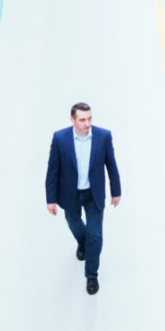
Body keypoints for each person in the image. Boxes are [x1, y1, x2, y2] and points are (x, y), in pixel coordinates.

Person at [45, 101, 121, 295]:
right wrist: (50, 198)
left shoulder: (103, 137)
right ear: (72, 120)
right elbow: (52, 170)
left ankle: (91, 275)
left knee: (96, 235)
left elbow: (111, 165)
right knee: (73, 222)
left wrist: (116, 191)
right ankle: (82, 241)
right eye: (82, 120)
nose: (87, 124)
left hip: (93, 194)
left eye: (90, 119)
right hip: (70, 194)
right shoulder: (60, 138)